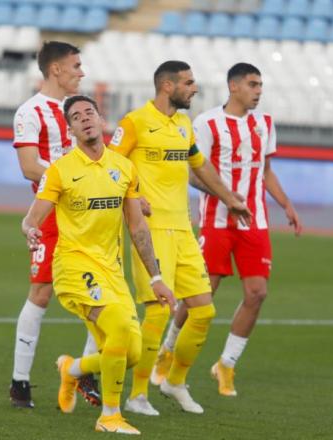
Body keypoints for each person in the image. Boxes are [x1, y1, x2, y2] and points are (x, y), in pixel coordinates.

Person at [22, 95, 176, 435]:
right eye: (76, 117)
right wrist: (31, 230)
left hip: (111, 271)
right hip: (74, 269)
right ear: (71, 129)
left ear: (101, 118)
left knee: (131, 353)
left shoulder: (123, 169)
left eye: (89, 112)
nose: (84, 119)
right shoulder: (60, 170)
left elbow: (137, 227)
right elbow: (32, 218)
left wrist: (156, 278)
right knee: (120, 330)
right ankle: (109, 416)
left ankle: (72, 369)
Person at [109, 60, 251, 416]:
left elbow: (200, 166)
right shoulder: (134, 122)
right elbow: (109, 165)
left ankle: (174, 382)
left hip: (185, 231)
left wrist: (229, 198)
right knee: (158, 312)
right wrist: (133, 195)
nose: (195, 88)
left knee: (203, 311)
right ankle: (137, 395)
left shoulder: (184, 125)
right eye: (188, 82)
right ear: (167, 86)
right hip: (151, 231)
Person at [153, 62, 302, 397]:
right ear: (233, 87)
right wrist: (226, 196)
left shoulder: (265, 124)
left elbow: (265, 172)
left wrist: (286, 205)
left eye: (260, 85)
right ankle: (168, 351)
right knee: (199, 295)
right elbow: (194, 173)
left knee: (257, 293)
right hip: (216, 222)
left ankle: (227, 364)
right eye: (252, 84)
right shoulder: (207, 123)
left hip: (255, 222)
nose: (258, 91)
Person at [10, 41, 99, 409]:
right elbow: (30, 167)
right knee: (42, 293)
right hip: (51, 215)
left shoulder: (82, 110)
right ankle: (20, 382)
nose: (82, 72)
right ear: (57, 70)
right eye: (76, 65)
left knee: (102, 294)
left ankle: (86, 372)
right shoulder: (30, 112)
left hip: (91, 216)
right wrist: (77, 178)